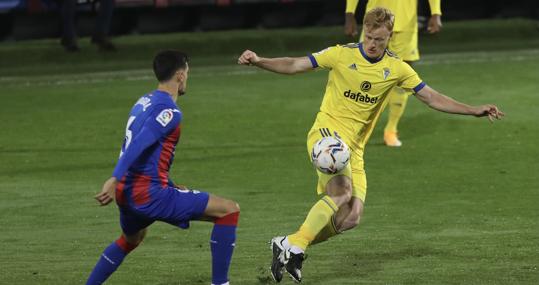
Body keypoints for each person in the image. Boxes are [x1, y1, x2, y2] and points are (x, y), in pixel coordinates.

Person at [238, 7, 503, 283]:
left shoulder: (397, 68)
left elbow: (432, 97)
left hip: (355, 147)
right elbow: (294, 65)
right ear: (364, 30)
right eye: (369, 37)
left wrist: (473, 110)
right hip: (326, 135)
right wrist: (259, 60)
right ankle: (297, 248)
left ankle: (289, 242)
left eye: (380, 39)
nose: (373, 44)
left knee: (351, 217)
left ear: (390, 37)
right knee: (341, 192)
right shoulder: (341, 54)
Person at [86, 50, 240, 285]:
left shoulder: (143, 101)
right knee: (228, 210)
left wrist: (164, 182)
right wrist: (113, 177)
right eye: (187, 73)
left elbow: (146, 151)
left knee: (131, 239)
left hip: (126, 193)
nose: (188, 78)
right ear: (179, 75)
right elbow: (139, 143)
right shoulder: (170, 111)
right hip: (147, 193)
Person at [345, 0, 443, 146]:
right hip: (375, 22)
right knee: (363, 77)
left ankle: (391, 130)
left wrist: (436, 13)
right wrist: (349, 13)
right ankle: (354, 128)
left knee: (401, 79)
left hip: (405, 24)